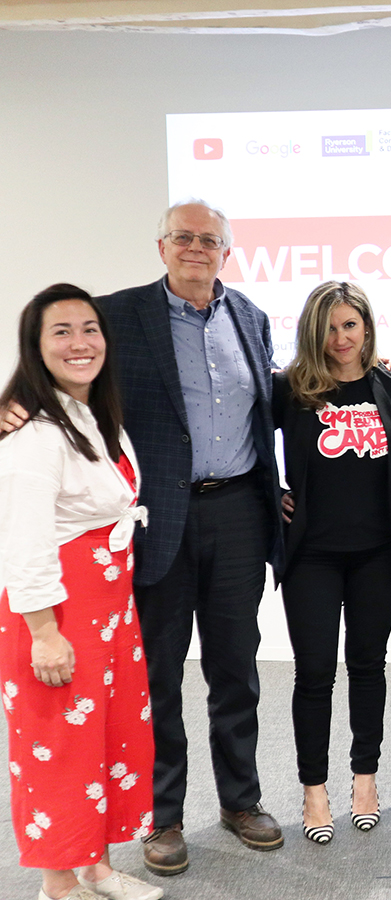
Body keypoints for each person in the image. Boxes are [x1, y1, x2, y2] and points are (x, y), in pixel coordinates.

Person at [3, 201, 287, 874]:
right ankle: (163, 817)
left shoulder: (251, 316)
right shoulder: (117, 315)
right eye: (183, 238)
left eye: (209, 240)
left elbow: (265, 398)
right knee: (154, 674)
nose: (196, 248)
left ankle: (240, 801)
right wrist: (13, 401)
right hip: (157, 519)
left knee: (235, 668)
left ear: (228, 252)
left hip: (240, 512)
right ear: (161, 247)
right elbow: (63, 365)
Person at [0, 285, 161, 900]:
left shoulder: (96, 416)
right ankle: (57, 884)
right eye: (60, 331)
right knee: (58, 750)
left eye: (89, 328)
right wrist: (44, 633)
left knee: (107, 737)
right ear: (35, 347)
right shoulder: (33, 434)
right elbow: (25, 543)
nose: (79, 342)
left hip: (108, 611)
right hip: (56, 615)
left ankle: (94, 865)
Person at [272, 282, 391, 844]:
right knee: (313, 675)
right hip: (312, 555)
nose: (340, 338)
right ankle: (313, 792)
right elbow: (246, 444)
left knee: (368, 667)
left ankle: (365, 781)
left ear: (366, 327)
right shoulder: (291, 389)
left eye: (349, 325)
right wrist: (271, 495)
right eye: (329, 327)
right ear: (313, 331)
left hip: (378, 554)